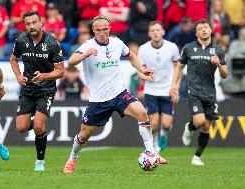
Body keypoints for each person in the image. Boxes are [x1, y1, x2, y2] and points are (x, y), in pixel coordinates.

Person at [63, 15, 167, 174]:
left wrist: (143, 69)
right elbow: (71, 61)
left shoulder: (117, 43)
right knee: (84, 135)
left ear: (109, 28)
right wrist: (85, 54)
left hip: (119, 94)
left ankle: (151, 152)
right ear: (93, 30)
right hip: (98, 100)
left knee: (142, 113)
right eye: (98, 30)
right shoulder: (87, 45)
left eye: (105, 29)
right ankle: (72, 158)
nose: (102, 33)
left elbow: (131, 55)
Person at [9, 10, 64, 172]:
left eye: (34, 22)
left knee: (39, 127)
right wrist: (18, 75)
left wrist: (44, 76)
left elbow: (60, 71)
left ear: (41, 23)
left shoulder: (53, 42)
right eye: (28, 24)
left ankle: (40, 161)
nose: (31, 26)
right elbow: (13, 59)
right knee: (21, 128)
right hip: (28, 89)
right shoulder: (21, 40)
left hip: (46, 89)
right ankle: (40, 122)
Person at [170, 19, 228, 165]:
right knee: (200, 121)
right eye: (200, 28)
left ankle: (197, 157)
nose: (203, 30)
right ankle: (189, 127)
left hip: (210, 92)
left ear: (211, 30)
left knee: (207, 126)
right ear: (196, 33)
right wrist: (174, 85)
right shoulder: (188, 48)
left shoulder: (218, 50)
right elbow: (179, 67)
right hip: (193, 90)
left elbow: (225, 74)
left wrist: (219, 65)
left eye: (206, 27)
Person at [137, 21, 180, 153]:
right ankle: (155, 145)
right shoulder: (143, 49)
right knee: (154, 124)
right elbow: (139, 71)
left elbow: (178, 68)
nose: (155, 32)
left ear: (163, 32)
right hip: (151, 90)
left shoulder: (172, 47)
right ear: (149, 33)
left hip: (167, 89)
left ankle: (164, 134)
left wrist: (175, 88)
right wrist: (146, 77)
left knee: (166, 124)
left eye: (158, 30)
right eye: (153, 30)